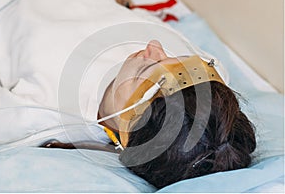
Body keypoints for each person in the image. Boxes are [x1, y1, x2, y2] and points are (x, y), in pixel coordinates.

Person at [44, 40, 256, 189]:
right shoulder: (203, 88)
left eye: (144, 71)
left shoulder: (48, 100)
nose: (154, 45)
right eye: (175, 58)